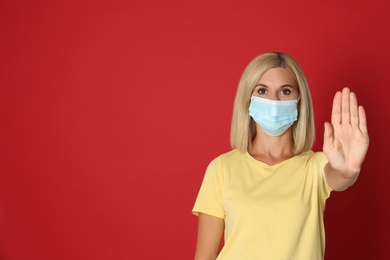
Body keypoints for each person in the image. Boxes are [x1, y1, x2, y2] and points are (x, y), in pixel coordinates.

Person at [192, 52, 369, 260]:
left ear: (299, 101)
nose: (273, 101)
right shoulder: (221, 168)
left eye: (285, 91)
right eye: (262, 90)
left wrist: (347, 169)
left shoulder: (315, 166)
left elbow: (339, 177)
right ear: (248, 99)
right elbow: (205, 255)